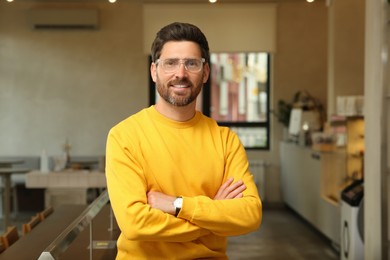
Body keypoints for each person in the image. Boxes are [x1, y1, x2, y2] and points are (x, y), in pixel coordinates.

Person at [105, 22, 262, 259]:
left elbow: (249, 214)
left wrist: (177, 205)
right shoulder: (125, 136)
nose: (180, 73)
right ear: (154, 71)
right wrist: (213, 214)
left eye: (191, 63)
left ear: (206, 72)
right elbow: (135, 223)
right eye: (170, 63)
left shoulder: (225, 141)